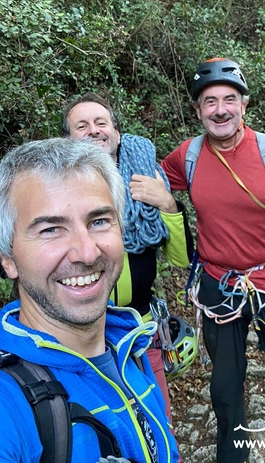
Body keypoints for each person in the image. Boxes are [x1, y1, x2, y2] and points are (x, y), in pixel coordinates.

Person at [162, 58, 265, 463]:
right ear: (198, 110)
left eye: (229, 99)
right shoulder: (188, 156)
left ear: (244, 105)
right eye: (210, 102)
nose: (220, 109)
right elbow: (144, 179)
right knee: (224, 390)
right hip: (220, 286)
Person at [0, 138, 178, 463]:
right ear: (7, 258)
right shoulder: (9, 401)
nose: (87, 252)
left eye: (98, 221)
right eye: (51, 229)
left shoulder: (129, 346)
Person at [61, 92, 193, 432]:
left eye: (101, 122)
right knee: (103, 427)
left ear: (116, 132)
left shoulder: (148, 175)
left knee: (158, 421)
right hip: (80, 337)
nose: (94, 130)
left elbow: (180, 258)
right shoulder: (56, 190)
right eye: (82, 125)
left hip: (140, 329)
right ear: (67, 139)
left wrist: (168, 205)